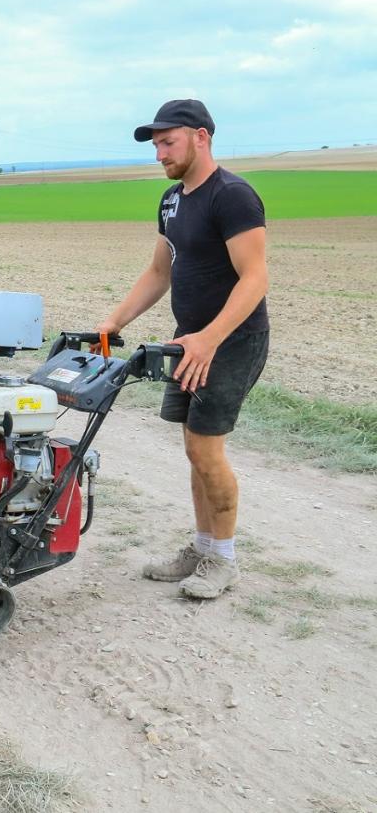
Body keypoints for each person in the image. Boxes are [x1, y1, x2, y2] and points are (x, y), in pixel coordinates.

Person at [96, 99, 269, 600]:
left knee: (203, 446)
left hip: (231, 341)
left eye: (167, 143)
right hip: (189, 341)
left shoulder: (232, 196)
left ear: (201, 137)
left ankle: (225, 559)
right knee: (193, 449)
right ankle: (201, 547)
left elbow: (255, 278)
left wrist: (210, 339)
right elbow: (159, 272)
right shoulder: (172, 200)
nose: (159, 155)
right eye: (156, 146)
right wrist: (113, 320)